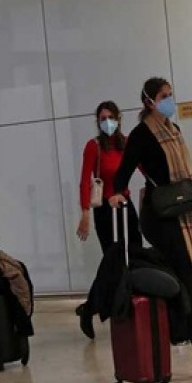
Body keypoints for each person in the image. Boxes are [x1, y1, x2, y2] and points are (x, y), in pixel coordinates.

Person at [113, 77, 192, 380]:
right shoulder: (141, 134)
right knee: (190, 278)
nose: (169, 100)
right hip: (160, 217)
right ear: (149, 101)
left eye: (170, 94)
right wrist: (117, 193)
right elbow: (124, 172)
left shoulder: (174, 130)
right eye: (163, 96)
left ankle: (181, 332)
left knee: (184, 278)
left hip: (181, 212)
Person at [75, 101, 141, 339]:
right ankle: (91, 308)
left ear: (119, 118)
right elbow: (85, 180)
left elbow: (144, 167)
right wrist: (84, 213)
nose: (107, 122)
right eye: (102, 118)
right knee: (113, 260)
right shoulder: (93, 147)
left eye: (110, 117)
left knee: (135, 253)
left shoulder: (126, 143)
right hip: (104, 208)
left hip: (124, 202)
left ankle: (114, 305)